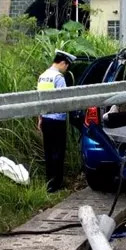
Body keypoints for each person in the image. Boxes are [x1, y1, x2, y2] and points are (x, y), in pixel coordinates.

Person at [37, 49, 76, 192]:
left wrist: (40, 118)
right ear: (63, 63)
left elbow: (39, 100)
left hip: (46, 119)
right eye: (67, 66)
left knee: (48, 151)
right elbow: (64, 99)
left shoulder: (43, 76)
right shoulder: (58, 77)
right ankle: (57, 184)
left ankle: (49, 183)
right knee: (58, 151)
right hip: (58, 120)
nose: (66, 69)